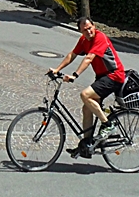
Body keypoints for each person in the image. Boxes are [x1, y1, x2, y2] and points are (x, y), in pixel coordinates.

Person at [50, 17, 126, 158]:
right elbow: (72, 55)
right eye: (85, 30)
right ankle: (87, 144)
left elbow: (89, 58)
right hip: (102, 77)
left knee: (85, 95)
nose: (88, 31)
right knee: (87, 107)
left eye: (90, 27)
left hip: (114, 75)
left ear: (94, 26)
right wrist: (57, 69)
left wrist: (75, 75)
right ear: (80, 31)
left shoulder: (100, 37)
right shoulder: (84, 40)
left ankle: (108, 124)